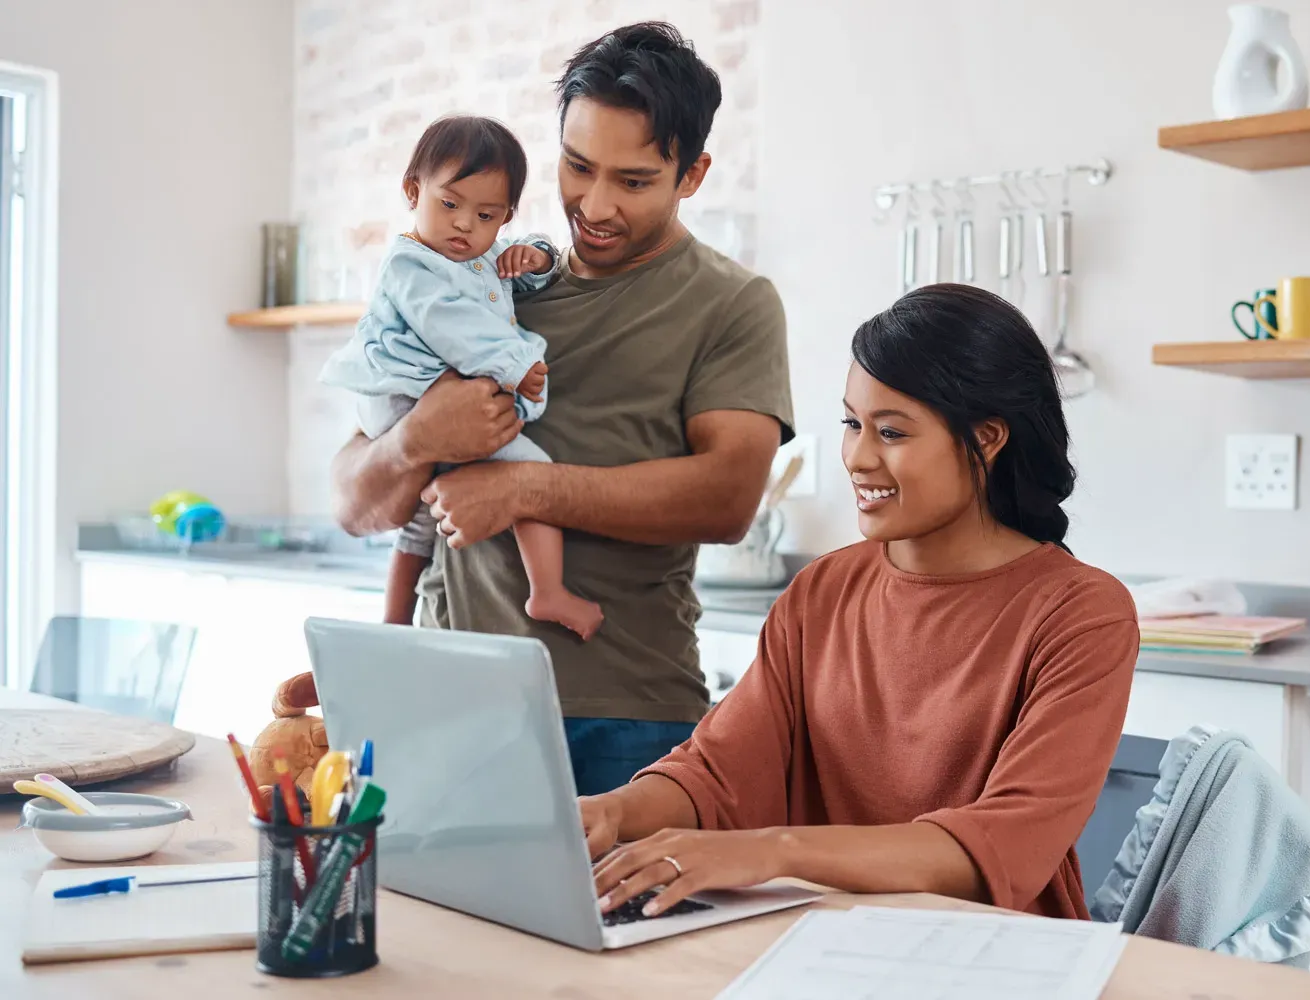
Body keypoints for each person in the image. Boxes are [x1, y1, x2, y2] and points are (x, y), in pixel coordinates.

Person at [329, 23, 793, 796]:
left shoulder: (732, 304)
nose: (595, 204)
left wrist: (523, 489)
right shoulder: (482, 285)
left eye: (634, 181)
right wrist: (416, 439)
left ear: (693, 174)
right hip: (450, 697)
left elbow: (728, 498)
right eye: (578, 167)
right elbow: (353, 503)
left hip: (629, 715)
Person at [583, 284, 1139, 920]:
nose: (858, 457)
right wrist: (610, 812)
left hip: (996, 950)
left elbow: (1005, 846)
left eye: (891, 432)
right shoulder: (822, 590)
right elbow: (718, 771)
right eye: (852, 424)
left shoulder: (1081, 613)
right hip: (818, 937)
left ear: (986, 438)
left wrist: (775, 852)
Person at [320, 115, 602, 639]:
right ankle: (548, 590)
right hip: (403, 394)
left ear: (505, 217)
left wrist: (535, 257)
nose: (465, 225)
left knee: (421, 516)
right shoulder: (411, 264)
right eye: (450, 205)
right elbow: (451, 325)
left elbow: (514, 279)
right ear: (413, 192)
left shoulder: (479, 255)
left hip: (416, 393)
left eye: (486, 215)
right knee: (532, 468)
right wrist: (515, 367)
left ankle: (393, 623)